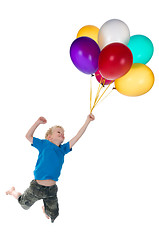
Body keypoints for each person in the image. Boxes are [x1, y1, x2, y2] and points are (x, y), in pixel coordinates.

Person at [6, 114, 95, 222]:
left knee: (54, 215)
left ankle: (45, 209)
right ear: (49, 137)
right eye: (59, 132)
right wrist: (38, 122)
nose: (62, 134)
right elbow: (28, 136)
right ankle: (12, 192)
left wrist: (87, 121)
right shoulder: (44, 144)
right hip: (36, 188)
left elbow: (77, 136)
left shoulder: (63, 149)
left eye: (63, 133)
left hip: (51, 190)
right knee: (23, 205)